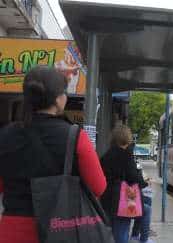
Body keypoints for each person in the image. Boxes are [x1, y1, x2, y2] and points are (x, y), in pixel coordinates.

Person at [0, 66, 107, 243]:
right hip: (60, 230)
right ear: (58, 99)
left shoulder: (5, 135)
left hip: (13, 231)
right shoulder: (76, 137)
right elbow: (98, 186)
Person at [100, 125, 154, 243]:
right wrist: (144, 183)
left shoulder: (106, 155)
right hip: (122, 201)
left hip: (106, 199)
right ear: (127, 138)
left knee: (113, 232)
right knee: (121, 233)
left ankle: (137, 236)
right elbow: (133, 178)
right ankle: (140, 238)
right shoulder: (126, 155)